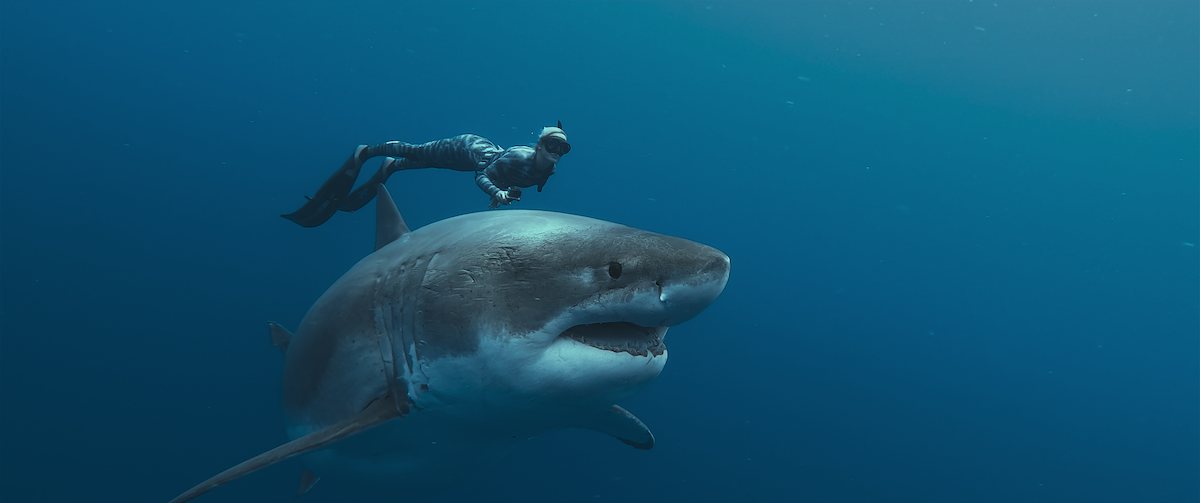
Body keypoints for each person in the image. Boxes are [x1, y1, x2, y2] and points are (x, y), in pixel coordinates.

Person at [282, 122, 571, 228]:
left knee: (430, 164)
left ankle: (390, 166)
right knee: (419, 152)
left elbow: (509, 179)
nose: (556, 151)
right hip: (468, 148)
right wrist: (496, 193)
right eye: (551, 144)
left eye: (562, 148)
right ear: (539, 144)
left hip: (472, 161)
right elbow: (483, 175)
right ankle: (367, 152)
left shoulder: (550, 171)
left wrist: (502, 194)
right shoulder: (520, 156)